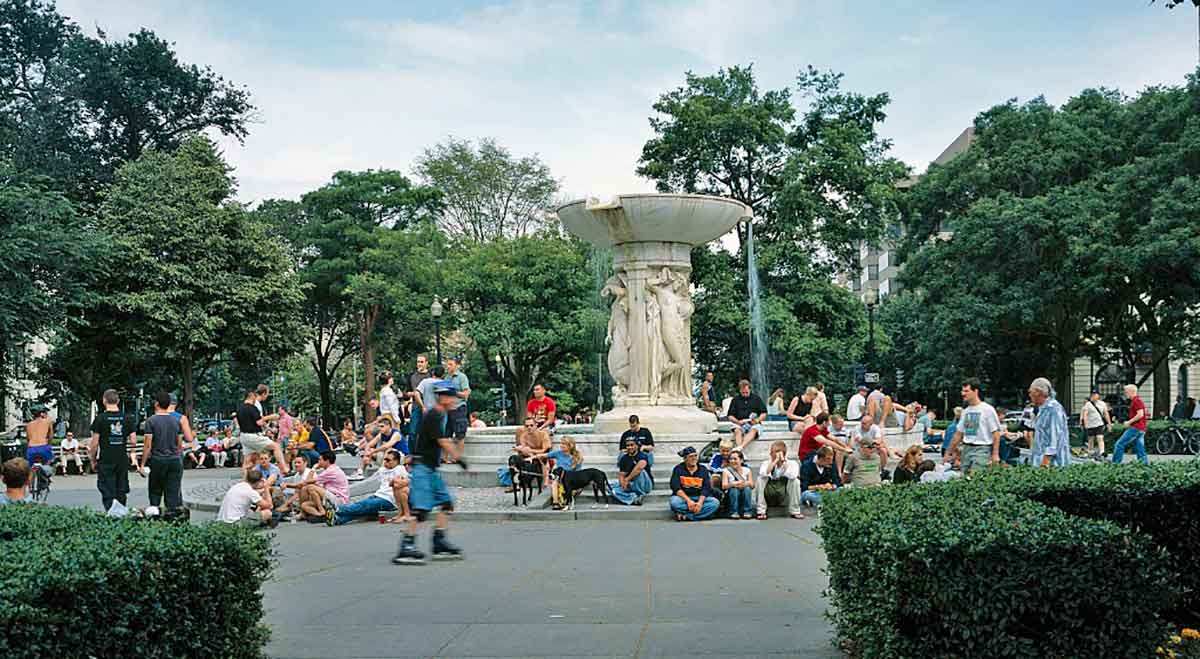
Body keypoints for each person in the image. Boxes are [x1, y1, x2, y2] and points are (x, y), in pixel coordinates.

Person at [393, 382, 465, 565]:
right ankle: (406, 546)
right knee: (421, 510)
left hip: (432, 469)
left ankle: (439, 541)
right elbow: (442, 441)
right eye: (452, 396)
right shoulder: (433, 414)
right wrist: (459, 457)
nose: (454, 400)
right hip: (423, 468)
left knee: (447, 504)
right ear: (444, 397)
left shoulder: (442, 414)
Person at [139, 392, 193, 514]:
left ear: (156, 404)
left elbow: (147, 445)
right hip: (174, 460)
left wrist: (142, 464)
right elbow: (179, 444)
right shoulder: (177, 420)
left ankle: (155, 518)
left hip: (158, 460)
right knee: (173, 493)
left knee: (155, 492)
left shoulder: (151, 421)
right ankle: (172, 519)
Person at [88, 390, 136, 511]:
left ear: (104, 400)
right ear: (118, 401)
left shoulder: (100, 419)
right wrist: (131, 452)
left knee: (107, 489)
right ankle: (121, 512)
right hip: (121, 459)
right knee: (121, 489)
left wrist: (93, 460)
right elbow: (134, 440)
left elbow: (94, 444)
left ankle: (111, 513)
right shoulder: (127, 418)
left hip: (106, 459)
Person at [335, 449, 410, 525]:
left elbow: (401, 483)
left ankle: (337, 509)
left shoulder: (400, 469)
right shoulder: (382, 470)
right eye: (384, 460)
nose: (385, 462)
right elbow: (369, 482)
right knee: (363, 509)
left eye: (388, 460)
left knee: (363, 505)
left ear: (396, 461)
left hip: (388, 500)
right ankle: (338, 520)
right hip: (377, 495)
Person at [946, 379, 1002, 474]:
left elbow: (996, 433)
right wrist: (948, 452)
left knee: (976, 477)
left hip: (982, 449)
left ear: (975, 391)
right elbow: (958, 434)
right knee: (965, 477)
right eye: (962, 391)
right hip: (966, 449)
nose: (963, 393)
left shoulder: (987, 409)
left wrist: (995, 454)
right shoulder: (966, 411)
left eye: (966, 391)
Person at [229, 390, 289, 476]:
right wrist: (270, 417)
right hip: (254, 436)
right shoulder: (252, 408)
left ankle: (246, 480)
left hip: (244, 436)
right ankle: (284, 469)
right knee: (276, 446)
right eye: (254, 397)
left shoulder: (239, 409)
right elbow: (259, 422)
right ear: (252, 396)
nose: (255, 399)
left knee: (248, 461)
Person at [1028, 378, 1071, 468]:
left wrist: (1045, 461)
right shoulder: (1043, 408)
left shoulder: (1053, 409)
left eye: (1030, 392)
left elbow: (1055, 436)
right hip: (1040, 459)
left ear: (1038, 392)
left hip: (1052, 463)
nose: (1029, 395)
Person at [756, 440, 804, 520]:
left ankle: (795, 511)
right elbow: (763, 473)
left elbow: (792, 476)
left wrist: (783, 463)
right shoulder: (766, 463)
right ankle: (761, 511)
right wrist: (774, 462)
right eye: (771, 452)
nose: (770, 454)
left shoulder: (792, 464)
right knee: (760, 479)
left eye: (773, 452)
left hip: (784, 494)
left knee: (795, 481)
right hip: (769, 493)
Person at [499, 417, 551, 489]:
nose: (529, 427)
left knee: (542, 457)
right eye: (527, 426)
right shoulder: (523, 435)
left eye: (531, 425)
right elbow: (524, 448)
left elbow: (545, 450)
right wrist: (520, 449)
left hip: (542, 455)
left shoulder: (543, 434)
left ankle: (545, 482)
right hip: (529, 455)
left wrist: (530, 451)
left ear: (536, 425)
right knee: (515, 458)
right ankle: (515, 482)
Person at [298, 451, 349, 524]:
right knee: (304, 505)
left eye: (320, 460)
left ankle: (321, 511)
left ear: (327, 461)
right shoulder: (330, 470)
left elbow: (307, 481)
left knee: (310, 487)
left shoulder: (331, 471)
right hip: (330, 498)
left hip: (339, 500)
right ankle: (322, 515)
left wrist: (313, 468)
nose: (318, 462)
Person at [669, 446, 718, 522]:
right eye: (691, 456)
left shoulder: (703, 469)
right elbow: (676, 488)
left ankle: (687, 516)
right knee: (674, 502)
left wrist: (700, 503)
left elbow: (706, 488)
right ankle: (701, 515)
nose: (694, 458)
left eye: (695, 456)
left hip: (699, 497)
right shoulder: (678, 469)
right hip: (684, 498)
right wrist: (689, 501)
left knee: (714, 503)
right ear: (685, 459)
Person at [352, 416, 407, 481]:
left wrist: (373, 452)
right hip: (389, 456)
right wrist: (367, 453)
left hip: (402, 457)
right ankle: (360, 472)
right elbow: (369, 444)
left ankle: (382, 472)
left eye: (382, 426)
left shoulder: (396, 434)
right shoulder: (381, 434)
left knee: (389, 450)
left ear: (388, 426)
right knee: (370, 450)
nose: (380, 428)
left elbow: (386, 446)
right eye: (379, 426)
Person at [1113, 384, 1149, 465]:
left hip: (1136, 428)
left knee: (1119, 444)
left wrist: (1129, 422)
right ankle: (1144, 464)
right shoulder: (1137, 400)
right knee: (1139, 447)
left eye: (1126, 392)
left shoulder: (1136, 401)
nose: (1125, 394)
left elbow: (1140, 414)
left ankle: (1115, 464)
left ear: (1131, 392)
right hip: (1141, 428)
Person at [545, 436, 584, 510]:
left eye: (564, 444)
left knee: (569, 488)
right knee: (555, 482)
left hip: (572, 480)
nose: (561, 445)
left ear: (570, 446)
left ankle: (566, 499)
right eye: (561, 443)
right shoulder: (558, 453)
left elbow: (578, 473)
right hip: (560, 479)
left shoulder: (577, 456)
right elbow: (544, 455)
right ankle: (555, 502)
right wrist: (532, 457)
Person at [728, 379, 767, 450]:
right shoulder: (735, 400)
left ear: (750, 389)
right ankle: (739, 450)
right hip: (739, 422)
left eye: (746, 392)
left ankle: (740, 448)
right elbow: (730, 416)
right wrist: (738, 422)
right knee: (737, 430)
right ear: (740, 390)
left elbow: (764, 413)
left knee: (754, 429)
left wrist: (757, 420)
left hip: (753, 423)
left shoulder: (757, 399)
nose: (745, 394)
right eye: (743, 393)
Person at [611, 437, 651, 506]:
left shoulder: (642, 455)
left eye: (632, 445)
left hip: (644, 484)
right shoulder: (624, 458)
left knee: (641, 472)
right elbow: (621, 474)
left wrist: (627, 479)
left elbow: (640, 466)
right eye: (628, 445)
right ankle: (633, 498)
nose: (629, 447)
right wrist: (622, 483)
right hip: (630, 484)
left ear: (637, 446)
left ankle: (637, 494)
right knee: (610, 487)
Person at [443, 356, 471, 452]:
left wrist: (454, 392)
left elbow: (466, 394)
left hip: (459, 408)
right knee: (447, 434)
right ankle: (446, 458)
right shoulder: (446, 378)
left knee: (460, 434)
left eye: (451, 364)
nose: (448, 366)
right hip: (448, 409)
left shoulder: (462, 377)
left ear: (457, 366)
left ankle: (458, 458)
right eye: (447, 364)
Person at [720, 449, 755, 519]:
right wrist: (733, 484)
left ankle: (747, 511)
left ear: (741, 460)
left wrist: (745, 483)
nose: (733, 461)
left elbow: (752, 485)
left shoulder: (747, 470)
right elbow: (724, 486)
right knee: (734, 489)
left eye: (735, 459)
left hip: (743, 494)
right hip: (731, 496)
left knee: (747, 489)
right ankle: (733, 512)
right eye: (731, 459)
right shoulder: (726, 471)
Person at [1080, 389, 1112, 461]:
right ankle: (1090, 452)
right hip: (1090, 424)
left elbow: (1106, 414)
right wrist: (1085, 424)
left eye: (1095, 394)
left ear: (1098, 396)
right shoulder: (1088, 404)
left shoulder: (1102, 404)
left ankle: (1102, 452)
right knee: (1091, 439)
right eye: (1092, 395)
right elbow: (1085, 414)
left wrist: (1109, 423)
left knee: (1100, 438)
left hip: (1099, 424)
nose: (1094, 396)